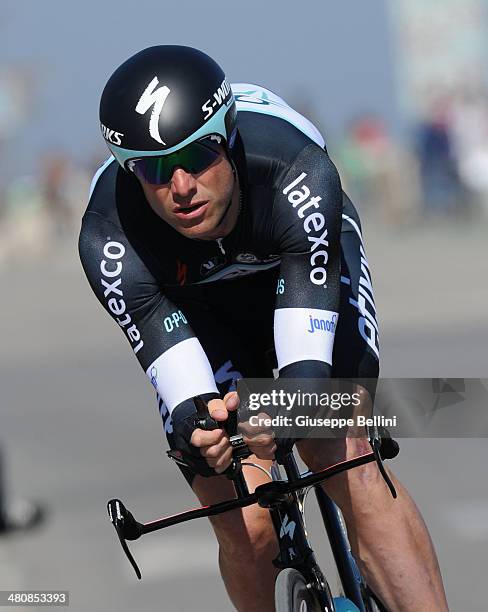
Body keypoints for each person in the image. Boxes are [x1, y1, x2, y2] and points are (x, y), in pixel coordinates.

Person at [79, 46, 448, 611]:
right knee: (241, 518)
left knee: (340, 445)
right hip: (198, 312)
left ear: (227, 135)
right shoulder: (110, 235)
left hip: (301, 271)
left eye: (199, 156)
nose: (180, 186)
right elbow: (176, 373)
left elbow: (305, 373)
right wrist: (199, 428)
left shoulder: (295, 170)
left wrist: (288, 406)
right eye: (153, 169)